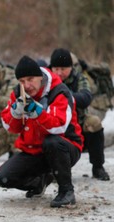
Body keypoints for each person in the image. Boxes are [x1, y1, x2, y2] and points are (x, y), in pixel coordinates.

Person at [0, 56, 83, 208]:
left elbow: (59, 127)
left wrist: (37, 112)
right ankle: (39, 182)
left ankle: (66, 191)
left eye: (30, 79)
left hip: (66, 147)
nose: (27, 85)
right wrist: (16, 113)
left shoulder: (59, 91)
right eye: (22, 81)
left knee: (52, 141)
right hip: (34, 150)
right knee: (2, 178)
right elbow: (10, 127)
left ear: (40, 77)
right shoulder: (17, 93)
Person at [50, 48, 110, 181]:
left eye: (63, 69)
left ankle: (98, 166)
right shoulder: (45, 78)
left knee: (94, 122)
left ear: (71, 68)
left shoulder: (79, 77)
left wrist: (64, 97)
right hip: (52, 123)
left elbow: (86, 97)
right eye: (56, 69)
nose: (59, 73)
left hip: (77, 123)